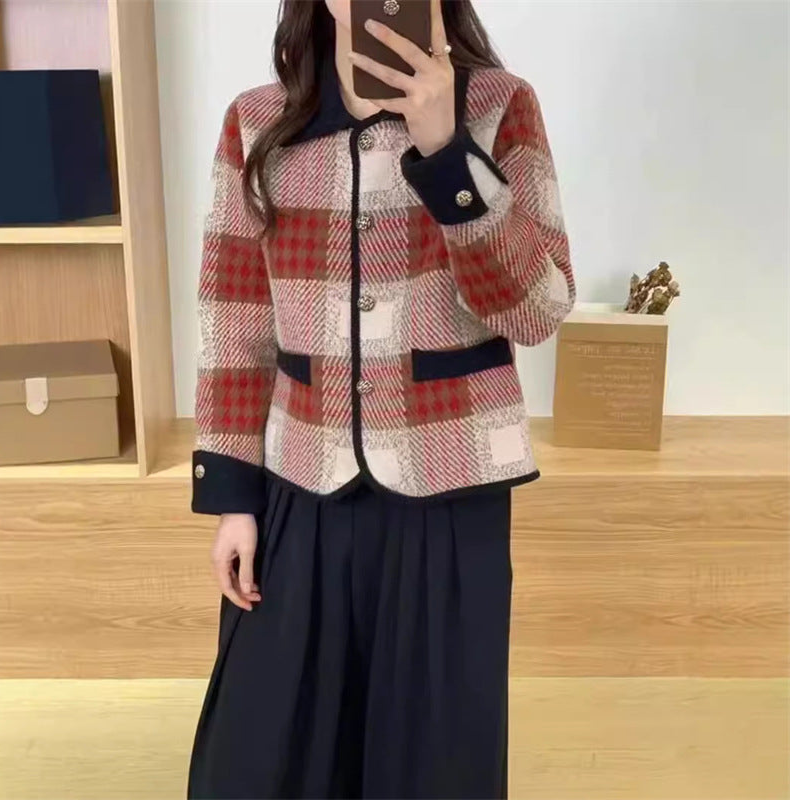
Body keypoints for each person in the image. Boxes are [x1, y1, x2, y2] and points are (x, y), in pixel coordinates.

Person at [186, 0, 576, 797]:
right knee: (263, 760)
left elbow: (537, 309)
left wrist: (446, 150)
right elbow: (234, 320)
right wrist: (232, 498)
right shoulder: (256, 122)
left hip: (451, 489)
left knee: (430, 764)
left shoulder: (499, 106)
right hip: (300, 484)